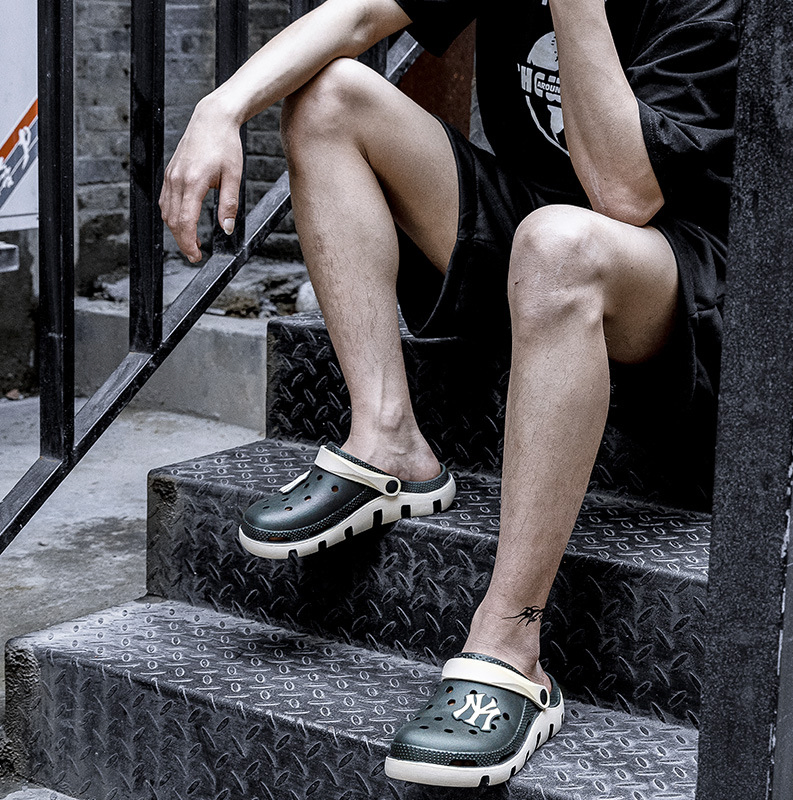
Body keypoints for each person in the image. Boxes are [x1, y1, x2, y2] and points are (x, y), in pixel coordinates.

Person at [159, 0, 740, 787]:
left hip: (682, 276)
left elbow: (626, 194)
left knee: (561, 243)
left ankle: (510, 644)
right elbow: (358, 14)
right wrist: (222, 105)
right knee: (327, 98)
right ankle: (387, 437)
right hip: (541, 234)